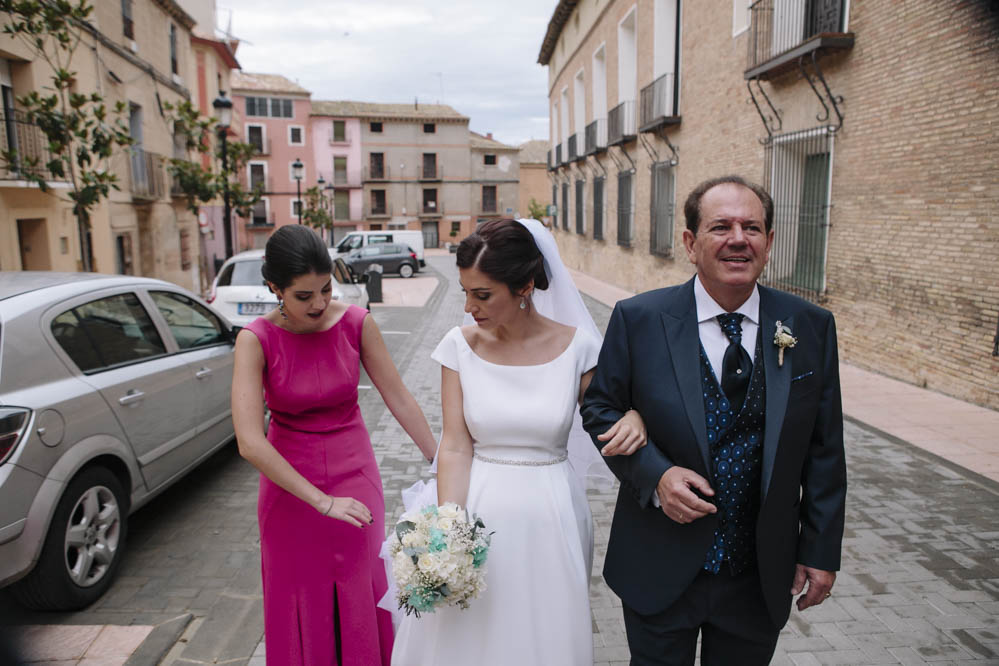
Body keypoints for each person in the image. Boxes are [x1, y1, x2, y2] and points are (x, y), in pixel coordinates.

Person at [582, 176, 847, 665]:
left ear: (768, 243)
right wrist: (655, 473)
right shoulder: (639, 319)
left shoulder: (810, 326)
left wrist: (821, 551)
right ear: (690, 242)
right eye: (720, 226)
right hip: (658, 565)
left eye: (753, 227)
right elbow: (599, 409)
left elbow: (825, 450)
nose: (739, 239)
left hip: (758, 574)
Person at [390, 219, 646, 665]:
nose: (469, 306)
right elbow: (454, 444)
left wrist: (635, 415)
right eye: (465, 291)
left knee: (544, 634)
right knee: (468, 640)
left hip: (553, 512)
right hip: (478, 507)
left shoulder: (579, 348)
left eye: (482, 294)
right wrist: (450, 528)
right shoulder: (458, 346)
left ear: (525, 286)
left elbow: (609, 413)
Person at [231, 225, 436, 665]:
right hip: (289, 492)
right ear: (275, 288)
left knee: (362, 593)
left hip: (355, 474)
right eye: (304, 296)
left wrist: (440, 458)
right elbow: (249, 442)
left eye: (325, 288)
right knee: (299, 598)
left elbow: (398, 395)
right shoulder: (254, 341)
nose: (320, 303)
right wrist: (321, 501)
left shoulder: (357, 324)